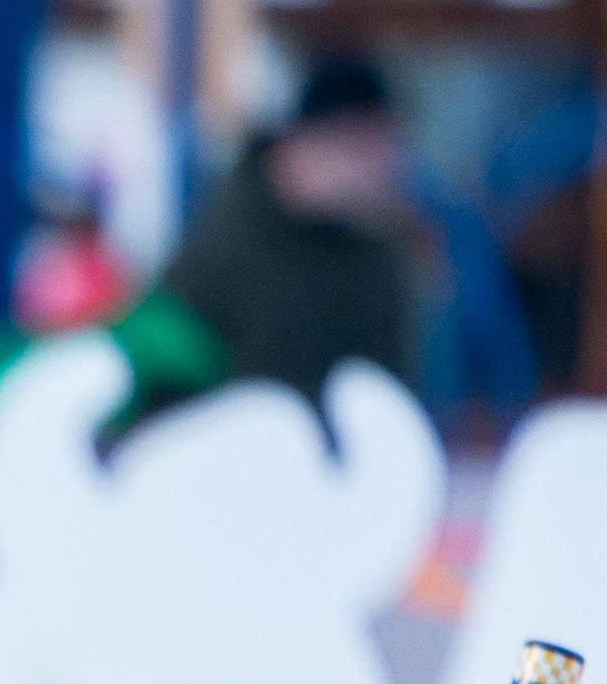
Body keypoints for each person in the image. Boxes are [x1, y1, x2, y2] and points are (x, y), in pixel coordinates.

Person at [139, 45, 423, 419]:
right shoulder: (221, 244)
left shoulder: (376, 256)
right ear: (315, 142)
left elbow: (391, 396)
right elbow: (163, 378)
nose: (380, 171)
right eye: (364, 149)